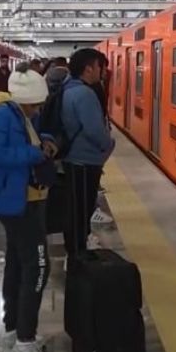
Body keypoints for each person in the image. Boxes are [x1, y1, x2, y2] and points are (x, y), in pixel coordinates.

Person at [0, 65, 59, 352]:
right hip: (14, 202)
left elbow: (34, 135)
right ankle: (24, 343)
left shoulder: (22, 114)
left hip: (26, 200)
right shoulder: (1, 116)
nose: (38, 110)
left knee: (18, 263)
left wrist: (46, 140)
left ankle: (14, 333)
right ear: (24, 99)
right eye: (35, 104)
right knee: (38, 265)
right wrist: (35, 154)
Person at [60, 48, 115, 259]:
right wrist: (109, 144)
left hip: (74, 159)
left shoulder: (69, 88)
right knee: (81, 210)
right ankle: (77, 255)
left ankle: (75, 250)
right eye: (99, 66)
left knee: (76, 209)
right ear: (88, 68)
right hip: (85, 160)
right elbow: (94, 130)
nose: (102, 71)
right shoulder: (84, 93)